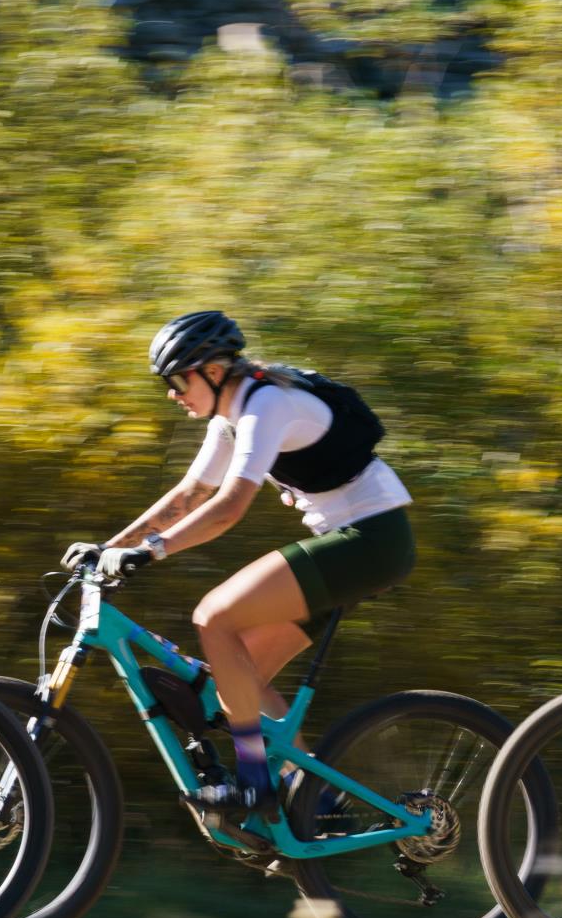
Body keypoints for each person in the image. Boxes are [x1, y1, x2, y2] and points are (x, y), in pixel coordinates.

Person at [67, 311, 417, 816]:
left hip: (371, 539)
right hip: (351, 542)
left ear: (212, 371)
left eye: (177, 379)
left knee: (214, 616)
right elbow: (190, 493)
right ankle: (318, 802)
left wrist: (151, 551)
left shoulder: (266, 403)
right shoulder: (230, 418)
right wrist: (108, 548)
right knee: (236, 683)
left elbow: (228, 506)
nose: (171, 393)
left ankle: (256, 784)